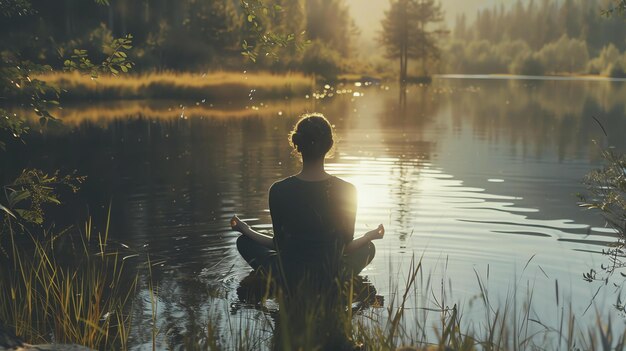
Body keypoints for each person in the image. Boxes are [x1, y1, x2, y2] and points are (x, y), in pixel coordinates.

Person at [231, 113, 384, 288]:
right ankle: (337, 283)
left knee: (243, 241)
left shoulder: (278, 190)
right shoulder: (348, 190)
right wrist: (367, 237)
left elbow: (279, 245)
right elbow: (345, 247)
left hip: (288, 275)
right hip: (331, 275)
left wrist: (246, 230)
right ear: (330, 145)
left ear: (297, 146)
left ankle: (273, 282)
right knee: (368, 248)